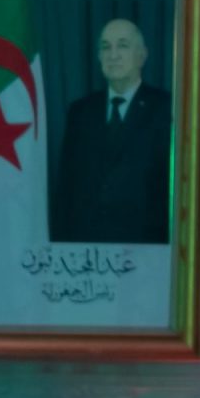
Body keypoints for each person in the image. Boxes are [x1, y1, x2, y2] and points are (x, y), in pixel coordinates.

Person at [49, 17, 174, 245]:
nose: (113, 55)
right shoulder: (80, 111)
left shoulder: (166, 108)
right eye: (106, 47)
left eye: (122, 45)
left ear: (142, 55)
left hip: (144, 248)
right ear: (98, 56)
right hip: (85, 248)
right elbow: (66, 190)